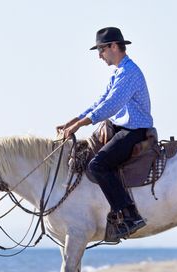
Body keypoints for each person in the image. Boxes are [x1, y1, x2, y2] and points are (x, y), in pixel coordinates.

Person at [57, 27, 154, 239]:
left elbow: (111, 105)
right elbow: (101, 101)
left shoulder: (129, 73)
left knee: (97, 165)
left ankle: (129, 215)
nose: (99, 56)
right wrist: (74, 120)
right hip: (122, 128)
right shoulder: (119, 72)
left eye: (101, 50)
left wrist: (80, 125)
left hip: (134, 130)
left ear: (113, 46)